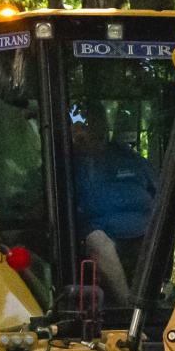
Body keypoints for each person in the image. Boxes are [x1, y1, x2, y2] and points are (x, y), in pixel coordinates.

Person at [70, 112, 158, 299]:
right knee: (98, 240)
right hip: (97, 234)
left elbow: (158, 189)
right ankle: (128, 307)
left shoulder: (128, 157)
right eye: (88, 126)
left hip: (144, 231)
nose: (95, 130)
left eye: (99, 124)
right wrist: (82, 152)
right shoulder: (69, 161)